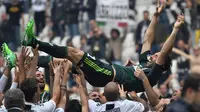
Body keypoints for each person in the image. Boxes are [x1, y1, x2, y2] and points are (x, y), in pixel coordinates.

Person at [20, 1, 184, 92]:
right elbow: (147, 39)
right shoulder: (144, 63)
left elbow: (164, 52)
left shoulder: (154, 74)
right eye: (153, 55)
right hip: (104, 72)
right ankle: (21, 62)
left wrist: (175, 29)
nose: (153, 55)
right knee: (63, 62)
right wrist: (155, 17)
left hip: (106, 74)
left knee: (72, 52)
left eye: (156, 57)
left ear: (162, 65)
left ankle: (33, 42)